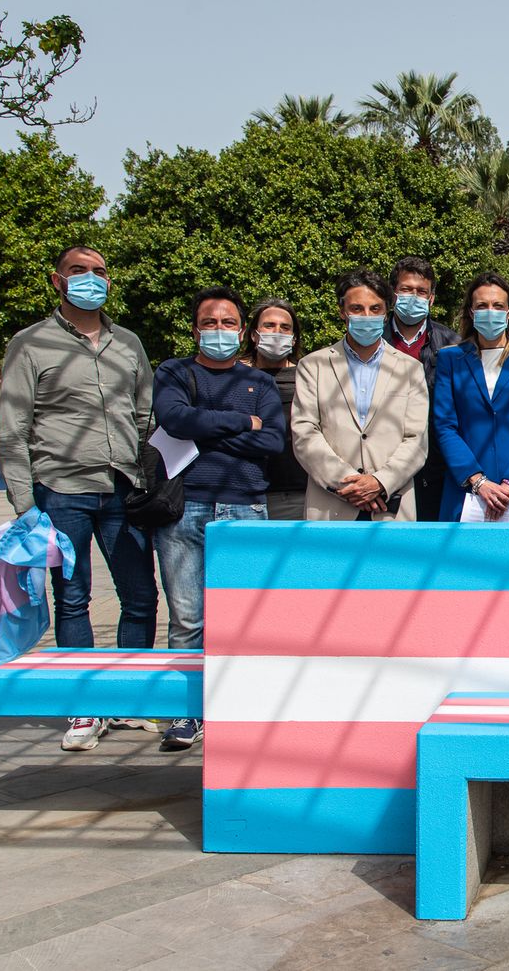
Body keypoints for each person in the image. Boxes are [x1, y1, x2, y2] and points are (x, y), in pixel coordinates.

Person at [0, 245, 159, 752]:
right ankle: (84, 706)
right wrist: (25, 505)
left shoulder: (128, 343)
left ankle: (128, 699)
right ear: (57, 281)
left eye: (100, 271)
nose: (91, 278)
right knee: (72, 597)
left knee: (140, 595)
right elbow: (12, 429)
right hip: (61, 491)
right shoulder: (30, 344)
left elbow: (145, 414)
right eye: (79, 271)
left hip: (122, 488)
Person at [152, 286, 285, 750]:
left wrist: (204, 425)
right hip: (184, 506)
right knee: (187, 618)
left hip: (244, 505)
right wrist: (239, 423)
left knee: (246, 619)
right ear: (195, 329)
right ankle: (187, 715)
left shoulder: (261, 383)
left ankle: (237, 709)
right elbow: (172, 419)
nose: (220, 331)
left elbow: (272, 443)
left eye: (229, 323)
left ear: (242, 331)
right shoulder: (173, 371)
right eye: (210, 323)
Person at [292, 270, 430, 521]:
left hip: (390, 504)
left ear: (386, 312)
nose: (367, 316)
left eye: (375, 309)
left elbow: (416, 440)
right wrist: (349, 485)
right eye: (357, 308)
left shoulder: (410, 368)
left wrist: (379, 482)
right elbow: (305, 434)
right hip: (332, 505)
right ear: (342, 311)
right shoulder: (314, 365)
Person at [430, 272, 509, 522]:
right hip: (467, 489)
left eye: (497, 305)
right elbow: (445, 426)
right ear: (471, 312)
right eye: (482, 305)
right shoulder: (451, 359)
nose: (490, 311)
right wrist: (478, 481)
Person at [383, 256, 461, 521]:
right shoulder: (373, 341)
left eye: (421, 291)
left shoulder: (452, 345)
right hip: (383, 466)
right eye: (406, 289)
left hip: (436, 469)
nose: (413, 297)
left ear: (431, 299)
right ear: (393, 293)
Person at [242, 297, 308, 521]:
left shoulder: (308, 376)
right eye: (269, 326)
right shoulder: (235, 377)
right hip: (244, 493)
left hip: (298, 494)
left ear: (294, 337)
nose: (276, 332)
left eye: (285, 328)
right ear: (253, 334)